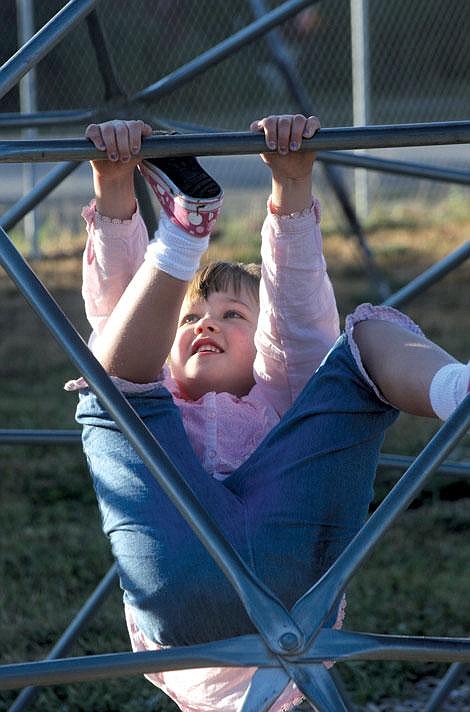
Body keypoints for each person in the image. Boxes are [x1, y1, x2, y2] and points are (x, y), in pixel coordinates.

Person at [67, 114, 469, 712]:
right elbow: (122, 315)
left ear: (266, 345)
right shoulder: (162, 395)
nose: (205, 322)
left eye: (234, 316)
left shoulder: (280, 390)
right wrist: (114, 189)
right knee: (118, 379)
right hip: (244, 588)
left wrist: (291, 187)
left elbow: (299, 312)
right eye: (191, 317)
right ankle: (182, 234)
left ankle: (457, 394)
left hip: (255, 572)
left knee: (361, 338)